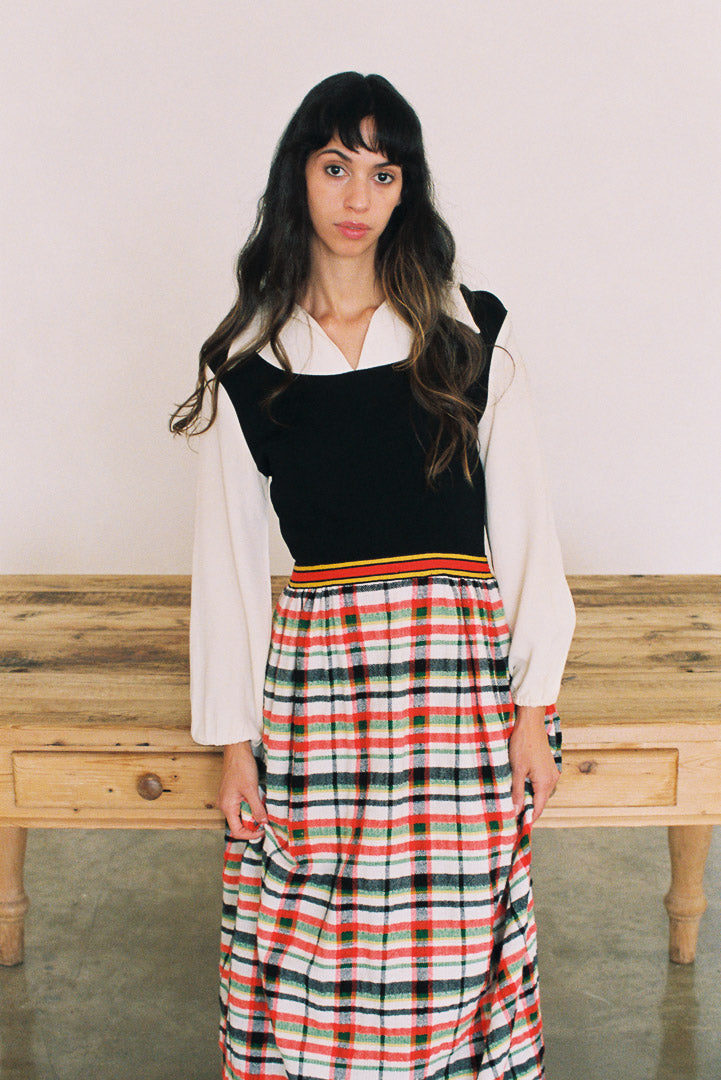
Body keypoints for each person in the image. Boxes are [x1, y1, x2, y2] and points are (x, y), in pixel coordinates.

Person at [170, 71, 575, 1080]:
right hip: (320, 687)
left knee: (450, 933)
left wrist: (535, 707)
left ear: (407, 189)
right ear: (297, 178)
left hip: (453, 683)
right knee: (314, 934)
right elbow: (226, 565)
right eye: (336, 166)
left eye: (383, 173)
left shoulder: (465, 339)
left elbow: (525, 528)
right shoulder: (254, 364)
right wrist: (233, 742)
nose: (357, 198)